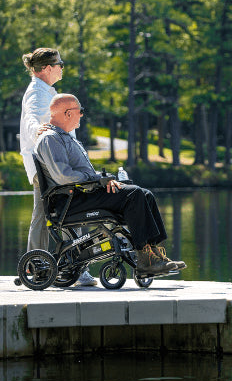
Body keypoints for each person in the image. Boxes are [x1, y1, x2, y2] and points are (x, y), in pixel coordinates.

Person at [34, 93, 185, 274]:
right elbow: (63, 177)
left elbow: (81, 175)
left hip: (82, 194)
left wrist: (104, 178)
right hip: (70, 201)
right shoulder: (50, 138)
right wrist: (96, 180)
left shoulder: (65, 137)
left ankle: (156, 254)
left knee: (145, 195)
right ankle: (145, 260)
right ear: (67, 113)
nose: (82, 115)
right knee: (134, 194)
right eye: (80, 111)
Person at [19, 48, 96, 286]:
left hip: (51, 163)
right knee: (64, 212)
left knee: (48, 215)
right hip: (48, 165)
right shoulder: (36, 92)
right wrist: (35, 129)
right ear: (48, 68)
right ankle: (66, 268)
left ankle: (40, 267)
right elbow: (32, 117)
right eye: (60, 64)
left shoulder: (45, 91)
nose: (63, 68)